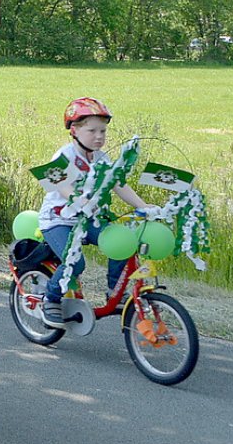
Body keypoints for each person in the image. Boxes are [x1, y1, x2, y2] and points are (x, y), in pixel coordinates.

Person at [37, 98, 154, 326]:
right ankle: (50, 299)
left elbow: (119, 184)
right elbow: (63, 187)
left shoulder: (101, 158)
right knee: (76, 262)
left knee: (122, 242)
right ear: (74, 130)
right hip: (59, 220)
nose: (99, 136)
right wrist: (81, 201)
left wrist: (143, 206)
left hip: (87, 219)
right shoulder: (64, 156)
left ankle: (114, 292)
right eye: (92, 131)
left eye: (103, 131)